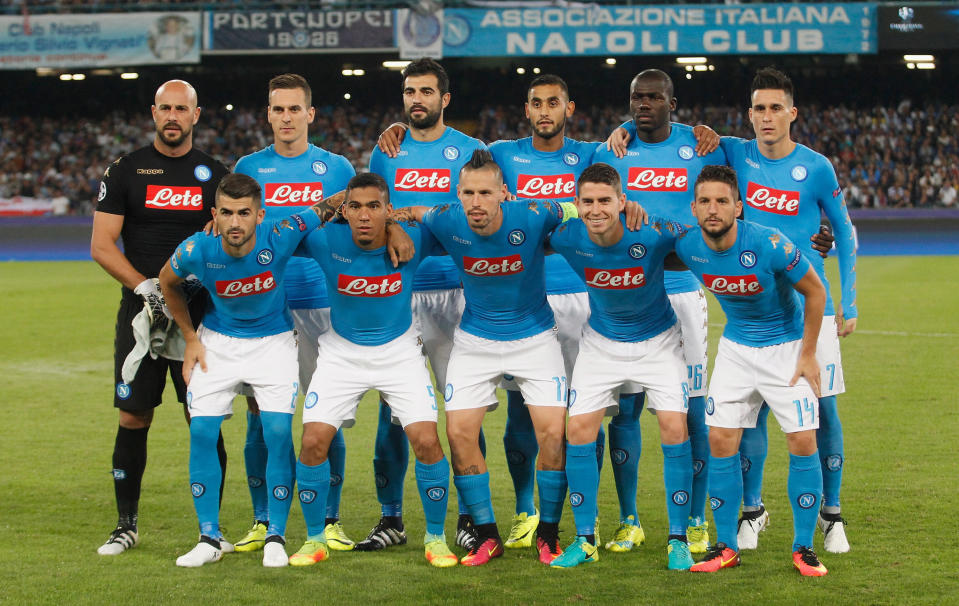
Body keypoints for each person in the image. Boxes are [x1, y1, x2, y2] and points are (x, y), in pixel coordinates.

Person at [392, 149, 580, 566]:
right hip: (475, 341)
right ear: (458, 194)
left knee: (552, 434)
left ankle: (548, 534)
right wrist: (392, 222)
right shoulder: (446, 217)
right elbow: (415, 211)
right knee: (459, 434)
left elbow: (575, 205)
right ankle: (486, 535)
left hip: (534, 339)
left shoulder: (533, 214)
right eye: (468, 193)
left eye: (485, 193)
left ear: (504, 194)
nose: (476, 203)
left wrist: (624, 207)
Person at [287, 173, 458, 569]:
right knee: (313, 441)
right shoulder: (325, 240)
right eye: (356, 206)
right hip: (341, 353)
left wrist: (400, 225)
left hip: (399, 352)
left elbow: (455, 220)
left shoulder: (415, 238)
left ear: (388, 209)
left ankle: (436, 538)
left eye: (375, 207)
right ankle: (315, 540)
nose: (365, 215)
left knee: (426, 440)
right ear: (344, 210)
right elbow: (277, 233)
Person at [720, 67, 857, 553]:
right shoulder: (734, 153)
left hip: (809, 307)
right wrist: (626, 130)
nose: (766, 117)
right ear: (749, 113)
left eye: (776, 107)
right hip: (755, 307)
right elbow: (673, 136)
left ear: (792, 113)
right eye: (758, 108)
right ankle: (752, 512)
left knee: (823, 407)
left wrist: (851, 303)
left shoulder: (816, 167)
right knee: (750, 411)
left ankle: (832, 514)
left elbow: (843, 230)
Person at [91, 80, 229, 556]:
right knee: (133, 416)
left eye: (181, 109)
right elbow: (101, 245)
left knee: (204, 419)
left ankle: (212, 529)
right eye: (165, 108)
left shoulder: (214, 174)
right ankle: (125, 525)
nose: (173, 116)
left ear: (196, 114)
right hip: (142, 313)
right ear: (154, 113)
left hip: (198, 315)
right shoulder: (126, 171)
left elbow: (233, 237)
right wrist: (144, 286)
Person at [592, 69, 727, 553]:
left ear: (674, 102)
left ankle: (696, 520)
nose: (643, 104)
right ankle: (630, 520)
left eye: (653, 97)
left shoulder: (704, 145)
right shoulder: (612, 150)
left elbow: (746, 176)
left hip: (684, 289)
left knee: (692, 410)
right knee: (625, 410)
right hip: (627, 289)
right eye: (636, 97)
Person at [158, 173, 323, 567]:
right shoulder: (197, 248)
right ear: (214, 215)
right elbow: (167, 282)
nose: (235, 223)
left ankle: (276, 537)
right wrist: (190, 339)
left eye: (244, 213)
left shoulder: (281, 233)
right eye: (227, 213)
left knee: (279, 432)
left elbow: (327, 207)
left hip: (275, 342)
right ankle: (209, 538)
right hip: (217, 342)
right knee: (201, 431)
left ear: (260, 214)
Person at [674, 165, 830, 577]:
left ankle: (803, 549)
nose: (713, 209)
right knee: (720, 441)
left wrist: (809, 354)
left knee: (801, 441)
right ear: (693, 207)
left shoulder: (768, 243)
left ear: (738, 207)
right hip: (736, 351)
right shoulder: (688, 246)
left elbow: (815, 291)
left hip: (785, 348)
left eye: (722, 201)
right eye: (705, 201)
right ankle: (725, 546)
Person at [365, 58, 487, 552]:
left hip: (457, 292)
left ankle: (470, 517)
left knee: (463, 411)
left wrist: (426, 214)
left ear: (445, 99)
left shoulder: (471, 150)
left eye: (427, 92)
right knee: (392, 412)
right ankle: (391, 517)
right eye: (410, 91)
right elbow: (375, 212)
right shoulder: (386, 152)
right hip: (399, 292)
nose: (417, 100)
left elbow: (484, 214)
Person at [546, 163, 695, 571]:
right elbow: (521, 229)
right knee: (577, 430)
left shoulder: (649, 231)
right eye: (588, 202)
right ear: (577, 204)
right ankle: (585, 539)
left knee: (674, 428)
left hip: (659, 342)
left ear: (622, 201)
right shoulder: (567, 235)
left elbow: (700, 241)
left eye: (605, 201)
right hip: (601, 343)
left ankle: (678, 538)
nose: (596, 209)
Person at [232, 74, 358, 553]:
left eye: (294, 109)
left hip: (325, 306)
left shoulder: (336, 168)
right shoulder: (249, 166)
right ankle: (264, 520)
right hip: (267, 310)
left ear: (311, 114)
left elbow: (354, 232)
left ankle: (329, 520)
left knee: (325, 414)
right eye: (277, 109)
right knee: (259, 416)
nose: (286, 118)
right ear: (268, 114)